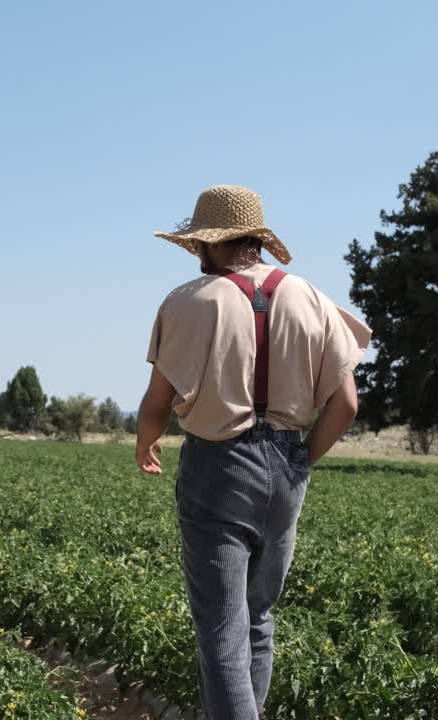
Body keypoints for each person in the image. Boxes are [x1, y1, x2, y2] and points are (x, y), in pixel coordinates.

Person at [136, 185, 371, 719]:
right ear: (256, 240)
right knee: (258, 617)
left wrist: (145, 443)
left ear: (209, 245)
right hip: (288, 467)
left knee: (222, 633)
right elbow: (347, 404)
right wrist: (302, 458)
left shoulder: (189, 301)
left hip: (218, 464)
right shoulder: (312, 298)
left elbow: (156, 404)